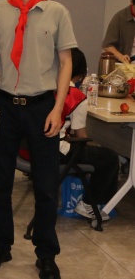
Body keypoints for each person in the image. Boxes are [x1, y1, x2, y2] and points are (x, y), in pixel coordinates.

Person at [0, 0, 77, 279]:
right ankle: (0, 245)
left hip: (42, 107)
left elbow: (66, 62)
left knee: (46, 185)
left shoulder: (58, 12)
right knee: (0, 181)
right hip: (4, 104)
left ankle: (46, 253)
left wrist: (58, 108)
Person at [59, 48, 120, 220]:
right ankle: (89, 204)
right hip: (59, 151)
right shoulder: (76, 97)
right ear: (81, 74)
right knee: (109, 157)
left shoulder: (46, 88)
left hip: (33, 148)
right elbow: (81, 136)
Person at [102, 0, 135, 64]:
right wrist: (120, 56)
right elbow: (107, 45)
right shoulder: (120, 17)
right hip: (125, 65)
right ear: (131, 2)